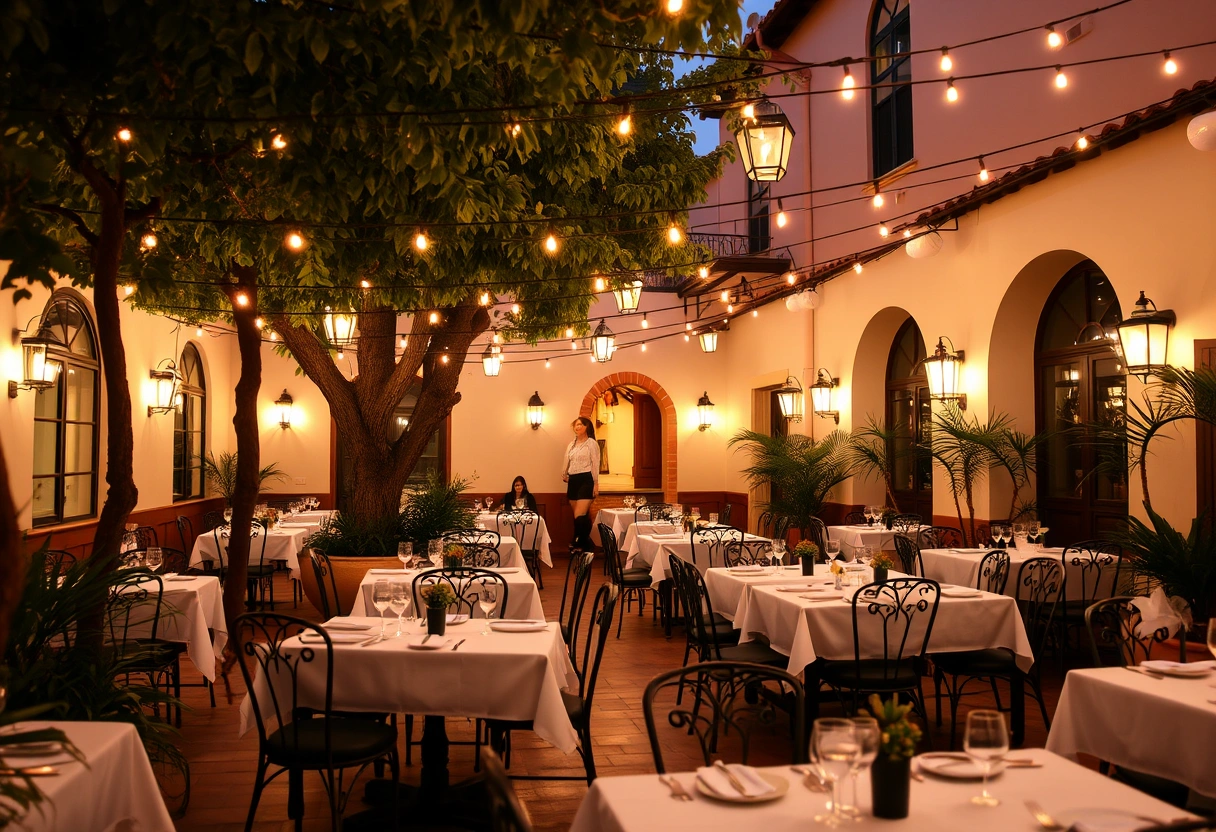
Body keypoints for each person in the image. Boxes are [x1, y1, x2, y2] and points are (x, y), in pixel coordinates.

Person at [562, 416, 600, 552]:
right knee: (579, 516)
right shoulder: (572, 444)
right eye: (576, 425)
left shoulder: (591, 443)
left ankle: (578, 541)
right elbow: (567, 459)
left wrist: (596, 483)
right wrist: (564, 473)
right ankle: (586, 543)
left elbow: (595, 464)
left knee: (579, 513)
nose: (578, 427)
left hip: (586, 479)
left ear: (587, 427)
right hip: (573, 480)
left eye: (580, 425)